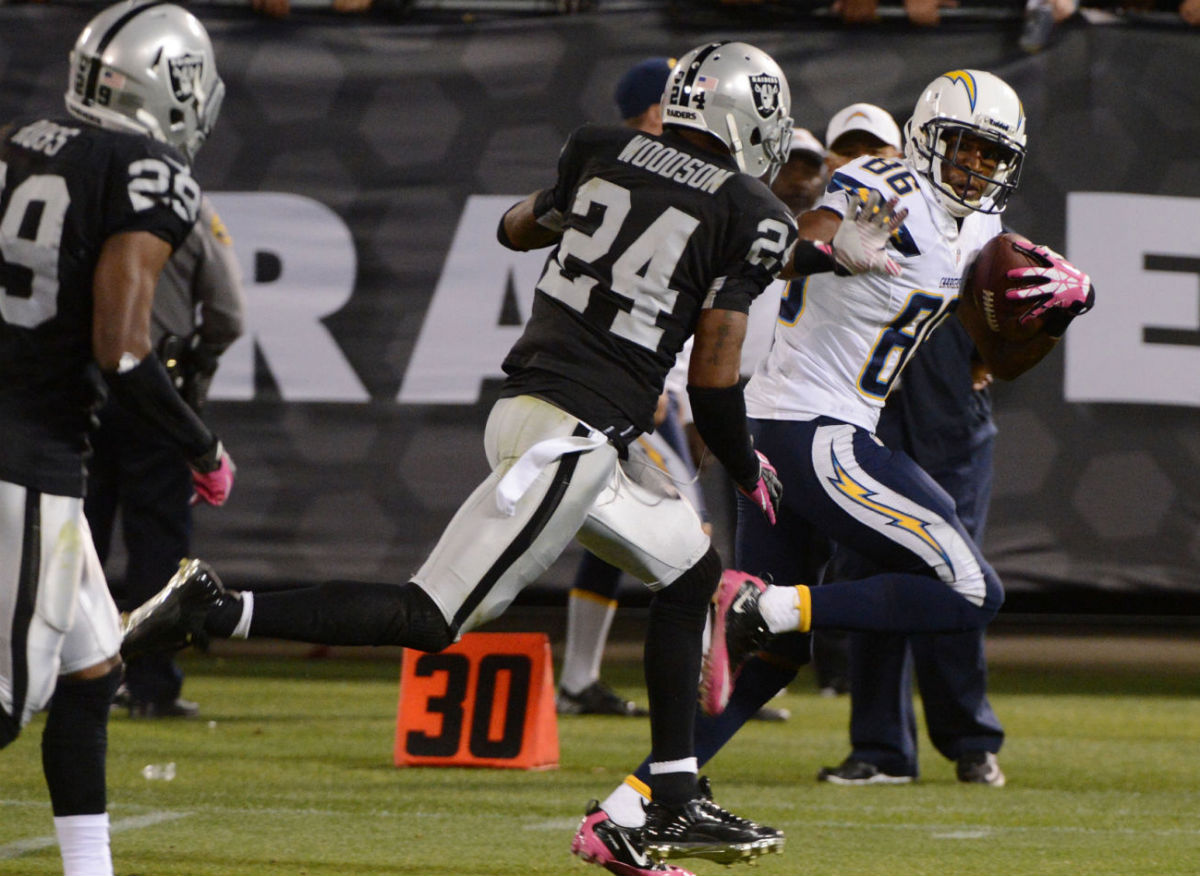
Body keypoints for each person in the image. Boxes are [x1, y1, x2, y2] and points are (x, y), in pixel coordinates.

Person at [122, 40, 900, 875]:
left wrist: (601, 211)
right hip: (572, 434)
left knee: (689, 572)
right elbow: (714, 378)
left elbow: (515, 227)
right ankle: (214, 607)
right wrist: (747, 468)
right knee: (433, 618)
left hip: (546, 418)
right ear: (744, 117)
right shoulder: (754, 211)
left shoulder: (600, 148)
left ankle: (665, 799)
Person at [582, 69, 1094, 865]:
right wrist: (826, 247)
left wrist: (1053, 309)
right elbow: (782, 248)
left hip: (804, 435)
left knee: (771, 664)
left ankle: (630, 810)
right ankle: (763, 607)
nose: (974, 168)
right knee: (969, 588)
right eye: (962, 149)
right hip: (811, 431)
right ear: (926, 137)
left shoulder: (981, 222)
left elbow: (998, 358)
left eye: (991, 156)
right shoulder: (884, 184)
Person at [0, 4, 233, 875]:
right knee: (11, 697)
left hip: (24, 435)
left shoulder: (16, 139)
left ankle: (88, 869)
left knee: (92, 669)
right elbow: (124, 346)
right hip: (25, 451)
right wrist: (201, 444)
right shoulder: (148, 168)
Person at [813, 103, 1005, 786]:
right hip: (867, 414)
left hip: (950, 419)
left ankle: (970, 740)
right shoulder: (832, 220)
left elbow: (1002, 303)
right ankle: (881, 748)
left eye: (874, 147)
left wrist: (999, 341)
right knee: (866, 570)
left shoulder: (975, 218)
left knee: (956, 573)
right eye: (849, 147)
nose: (861, 159)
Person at [87, 193, 244, 719]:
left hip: (72, 389)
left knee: (70, 536)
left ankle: (51, 675)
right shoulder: (188, 204)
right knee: (157, 539)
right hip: (154, 391)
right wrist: (197, 364)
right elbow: (227, 313)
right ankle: (149, 684)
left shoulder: (81, 192)